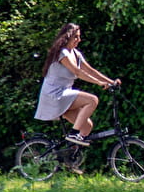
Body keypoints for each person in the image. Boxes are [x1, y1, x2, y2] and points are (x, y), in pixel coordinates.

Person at [34, 23, 119, 152]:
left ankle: (70, 157)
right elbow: (77, 72)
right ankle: (73, 133)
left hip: (64, 94)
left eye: (79, 37)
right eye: (76, 37)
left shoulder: (75, 53)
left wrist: (111, 82)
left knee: (87, 126)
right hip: (54, 95)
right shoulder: (62, 53)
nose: (79, 40)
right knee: (92, 100)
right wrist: (99, 83)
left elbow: (90, 70)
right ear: (67, 38)